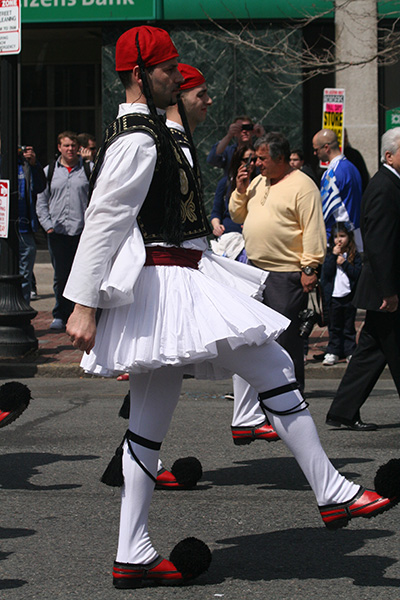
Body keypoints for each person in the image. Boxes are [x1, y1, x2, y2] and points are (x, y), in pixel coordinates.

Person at [64, 26, 398, 590]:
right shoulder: (138, 139)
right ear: (138, 75)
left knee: (147, 425)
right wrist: (82, 304)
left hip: (172, 279)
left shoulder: (152, 130)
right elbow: (104, 219)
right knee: (273, 365)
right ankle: (331, 490)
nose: (177, 76)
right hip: (166, 281)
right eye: (167, 68)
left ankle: (131, 551)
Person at [229, 132, 326, 390]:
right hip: (254, 271)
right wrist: (240, 191)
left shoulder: (303, 186)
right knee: (256, 336)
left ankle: (290, 393)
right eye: (256, 158)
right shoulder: (258, 182)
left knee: (285, 339)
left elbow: (313, 229)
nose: (256, 163)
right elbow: (237, 215)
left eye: (262, 159)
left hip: (285, 274)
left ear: (280, 158)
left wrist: (310, 268)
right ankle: (264, 391)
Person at [326, 127, 400, 431]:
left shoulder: (391, 183)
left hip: (385, 287)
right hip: (386, 288)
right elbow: (379, 244)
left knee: (371, 351)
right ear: (389, 156)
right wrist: (389, 290)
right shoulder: (384, 187)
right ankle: (342, 411)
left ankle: (343, 411)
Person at [36, 131, 92, 330]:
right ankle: (60, 314)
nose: (70, 149)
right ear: (59, 147)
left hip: (81, 232)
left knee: (82, 274)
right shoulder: (49, 171)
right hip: (58, 232)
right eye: (66, 146)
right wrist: (48, 226)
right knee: (61, 276)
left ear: (78, 148)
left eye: (73, 146)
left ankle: (79, 313)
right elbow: (41, 200)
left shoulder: (88, 169)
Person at [313, 128, 363, 250]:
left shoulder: (332, 173)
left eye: (316, 149)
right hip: (354, 236)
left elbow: (325, 212)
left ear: (326, 148)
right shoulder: (352, 168)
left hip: (339, 242)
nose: (314, 153)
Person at [320, 223, 362, 366]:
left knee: (348, 326)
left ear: (349, 237)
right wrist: (333, 256)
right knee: (334, 326)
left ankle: (350, 351)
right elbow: (326, 273)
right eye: (336, 237)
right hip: (333, 298)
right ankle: (333, 351)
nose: (339, 240)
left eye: (342, 236)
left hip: (349, 297)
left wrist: (344, 263)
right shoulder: (329, 255)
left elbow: (357, 274)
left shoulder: (353, 256)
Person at [210, 145, 256, 262]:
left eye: (255, 160)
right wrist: (216, 226)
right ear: (238, 161)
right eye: (247, 160)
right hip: (230, 238)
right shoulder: (226, 183)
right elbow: (216, 211)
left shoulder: (260, 183)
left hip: (252, 240)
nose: (251, 163)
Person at [16, 146, 47, 304]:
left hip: (24, 228)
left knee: (24, 275)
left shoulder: (25, 165)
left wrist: (34, 164)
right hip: (3, 230)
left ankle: (23, 307)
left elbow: (39, 187)